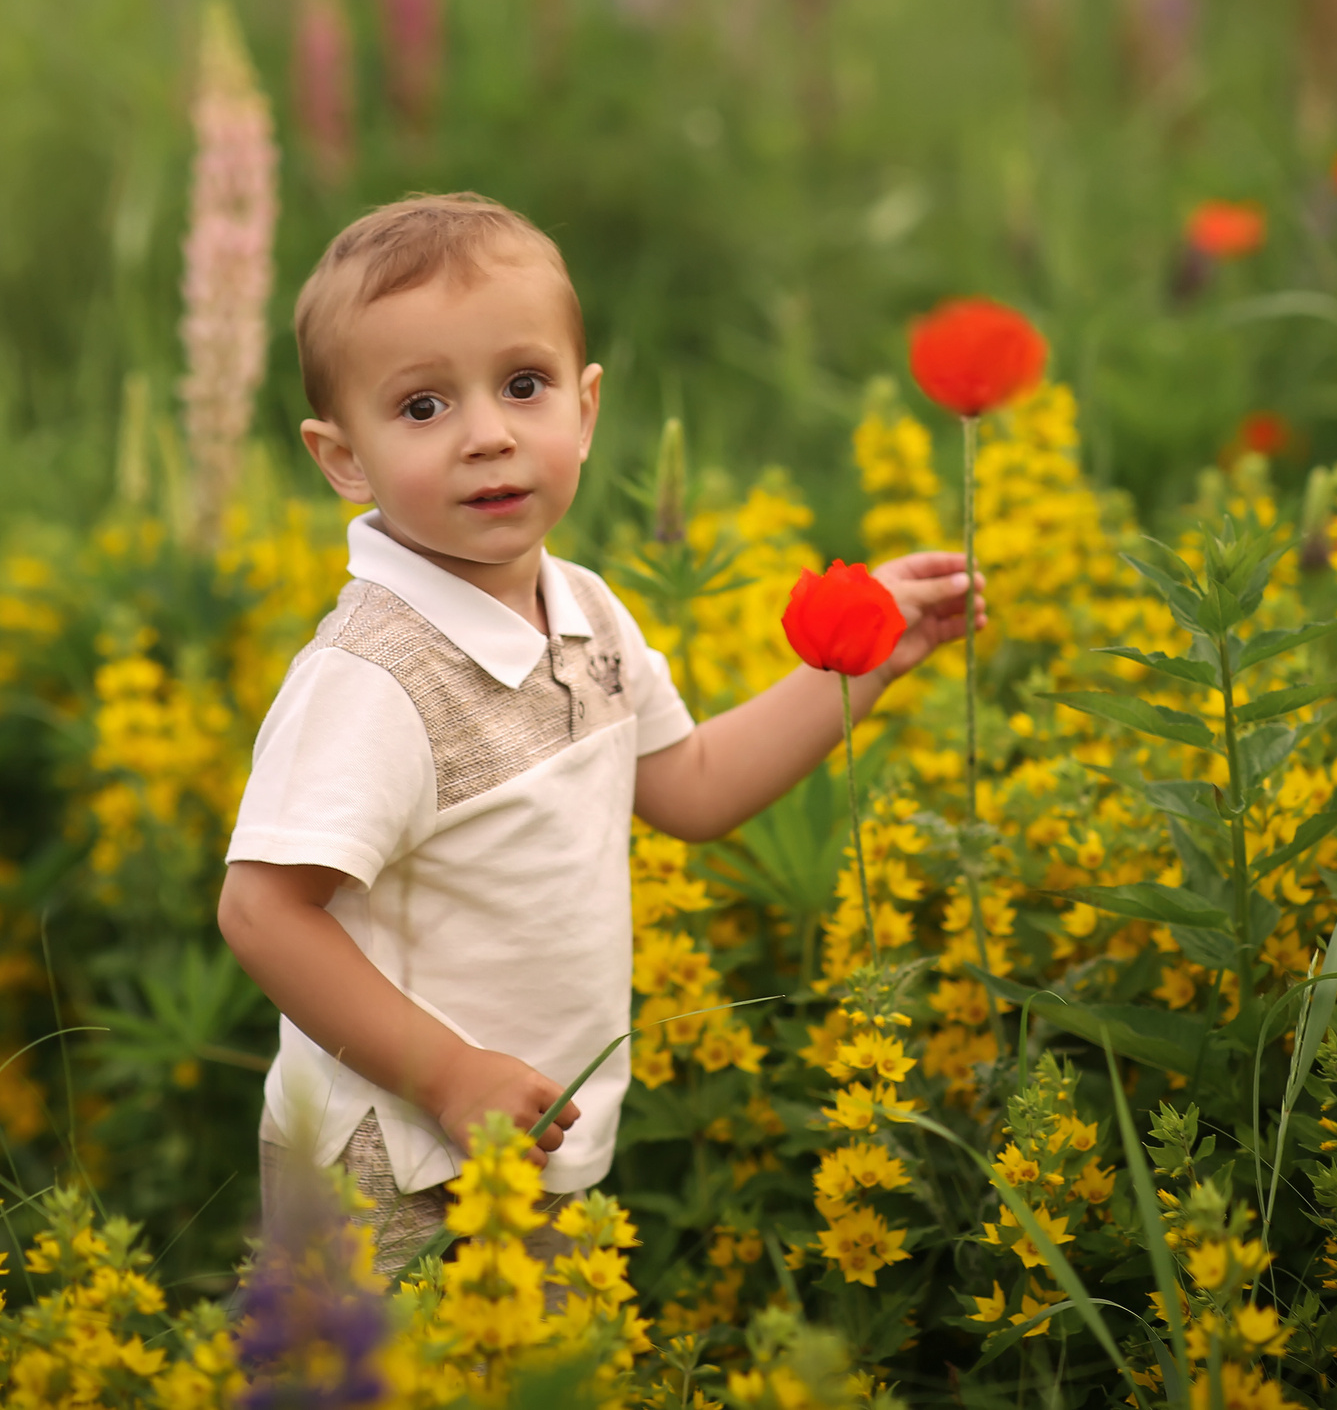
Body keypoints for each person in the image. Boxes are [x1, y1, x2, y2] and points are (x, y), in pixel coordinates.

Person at [217, 192, 978, 1270]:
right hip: (391, 1161)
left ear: (584, 408)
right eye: (423, 406)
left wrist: (860, 665)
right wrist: (446, 1072)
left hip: (537, 1137)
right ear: (343, 458)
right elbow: (262, 912)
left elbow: (693, 786)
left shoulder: (584, 611)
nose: (488, 434)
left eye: (522, 386)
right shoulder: (373, 676)